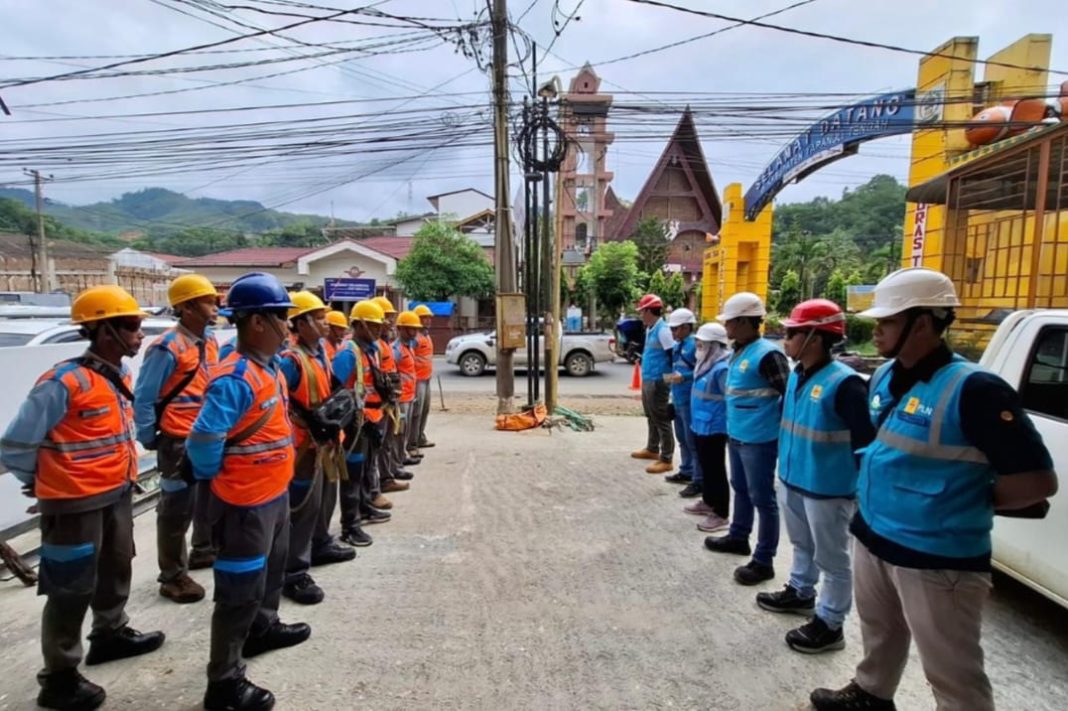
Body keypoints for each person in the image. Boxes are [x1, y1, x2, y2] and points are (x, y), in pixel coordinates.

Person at [810, 268, 1058, 711]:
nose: (876, 331)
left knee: (952, 668)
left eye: (887, 323)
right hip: (874, 537)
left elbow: (1037, 482)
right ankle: (871, 693)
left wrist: (957, 502)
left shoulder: (976, 390)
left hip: (937, 558)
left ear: (922, 323)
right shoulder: (886, 375)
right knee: (879, 633)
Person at [1, 284, 165, 710]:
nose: (139, 334)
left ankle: (109, 634)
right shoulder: (62, 381)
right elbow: (15, 444)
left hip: (116, 492)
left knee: (116, 566)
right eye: (131, 326)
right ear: (104, 330)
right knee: (70, 588)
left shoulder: (119, 377)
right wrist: (43, 483)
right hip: (74, 503)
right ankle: (59, 676)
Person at [186, 272, 311, 711]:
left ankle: (264, 627)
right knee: (238, 592)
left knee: (270, 574)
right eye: (281, 317)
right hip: (243, 503)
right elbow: (203, 440)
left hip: (271, 497)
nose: (287, 326)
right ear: (256, 322)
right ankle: (224, 682)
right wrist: (222, 478)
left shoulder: (267, 368)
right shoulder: (236, 377)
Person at [755, 299, 875, 655]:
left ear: (816, 337)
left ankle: (830, 622)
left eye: (792, 333)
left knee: (834, 559)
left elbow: (865, 444)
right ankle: (800, 591)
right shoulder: (797, 375)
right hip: (794, 478)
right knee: (802, 545)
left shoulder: (845, 384)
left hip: (829, 489)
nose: (785, 339)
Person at [134, 274, 220, 605]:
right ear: (185, 307)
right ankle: (172, 576)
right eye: (207, 301)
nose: (214, 307)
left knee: (208, 500)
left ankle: (202, 550)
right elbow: (144, 397)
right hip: (177, 441)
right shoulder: (166, 347)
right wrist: (149, 437)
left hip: (206, 437)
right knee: (175, 509)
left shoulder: (210, 342)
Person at [705, 291, 789, 586]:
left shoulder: (768, 354)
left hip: (760, 438)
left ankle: (764, 560)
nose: (725, 326)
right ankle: (739, 536)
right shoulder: (739, 350)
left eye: (729, 321)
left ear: (743, 321)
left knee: (763, 498)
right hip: (738, 433)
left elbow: (788, 397)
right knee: (740, 487)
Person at [277, 292, 355, 607]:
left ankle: (320, 543)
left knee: (323, 500)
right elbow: (282, 404)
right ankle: (293, 574)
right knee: (302, 508)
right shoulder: (291, 361)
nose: (326, 323)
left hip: (322, 440)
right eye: (319, 318)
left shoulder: (318, 353)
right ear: (301, 322)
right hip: (303, 445)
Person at [332, 300, 393, 546]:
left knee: (366, 470)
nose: (378, 330)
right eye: (372, 325)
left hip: (372, 419)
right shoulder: (348, 353)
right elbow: (335, 390)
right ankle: (350, 525)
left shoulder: (372, 350)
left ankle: (365, 507)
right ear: (358, 325)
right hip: (355, 424)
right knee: (352, 475)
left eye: (379, 325)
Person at [683, 323, 732, 534]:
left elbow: (728, 399)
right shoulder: (705, 365)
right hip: (701, 424)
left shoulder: (721, 369)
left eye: (701, 344)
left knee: (715, 470)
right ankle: (708, 501)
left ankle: (720, 513)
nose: (698, 348)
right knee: (706, 466)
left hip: (715, 427)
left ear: (713, 346)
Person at [630, 293, 675, 474]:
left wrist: (669, 380)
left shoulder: (663, 330)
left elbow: (673, 356)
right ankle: (652, 448)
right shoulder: (651, 329)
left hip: (659, 381)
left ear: (650, 311)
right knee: (651, 415)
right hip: (649, 378)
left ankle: (667, 458)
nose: (641, 315)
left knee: (661, 418)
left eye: (642, 311)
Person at [372, 296, 409, 496]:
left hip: (387, 399)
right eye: (387, 318)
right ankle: (383, 480)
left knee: (389, 440)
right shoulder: (376, 345)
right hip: (377, 404)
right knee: (381, 445)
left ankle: (388, 475)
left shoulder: (384, 343)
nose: (390, 322)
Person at [664, 308, 700, 494]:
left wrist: (684, 377)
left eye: (676, 329)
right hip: (678, 398)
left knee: (692, 440)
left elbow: (702, 372)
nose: (673, 333)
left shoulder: (695, 346)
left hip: (690, 400)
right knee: (682, 438)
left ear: (686, 327)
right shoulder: (678, 346)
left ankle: (697, 478)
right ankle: (686, 470)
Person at [393, 310, 422, 469]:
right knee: (399, 431)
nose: (415, 332)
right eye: (411, 329)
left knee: (406, 429)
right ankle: (399, 458)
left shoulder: (409, 346)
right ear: (401, 329)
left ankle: (403, 454)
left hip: (410, 395)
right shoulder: (396, 349)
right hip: (401, 397)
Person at [407, 303, 435, 455]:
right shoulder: (415, 338)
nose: (428, 320)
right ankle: (412, 443)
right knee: (416, 412)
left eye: (429, 318)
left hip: (426, 378)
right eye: (424, 318)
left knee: (424, 410)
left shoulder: (426, 335)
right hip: (417, 380)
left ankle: (420, 437)